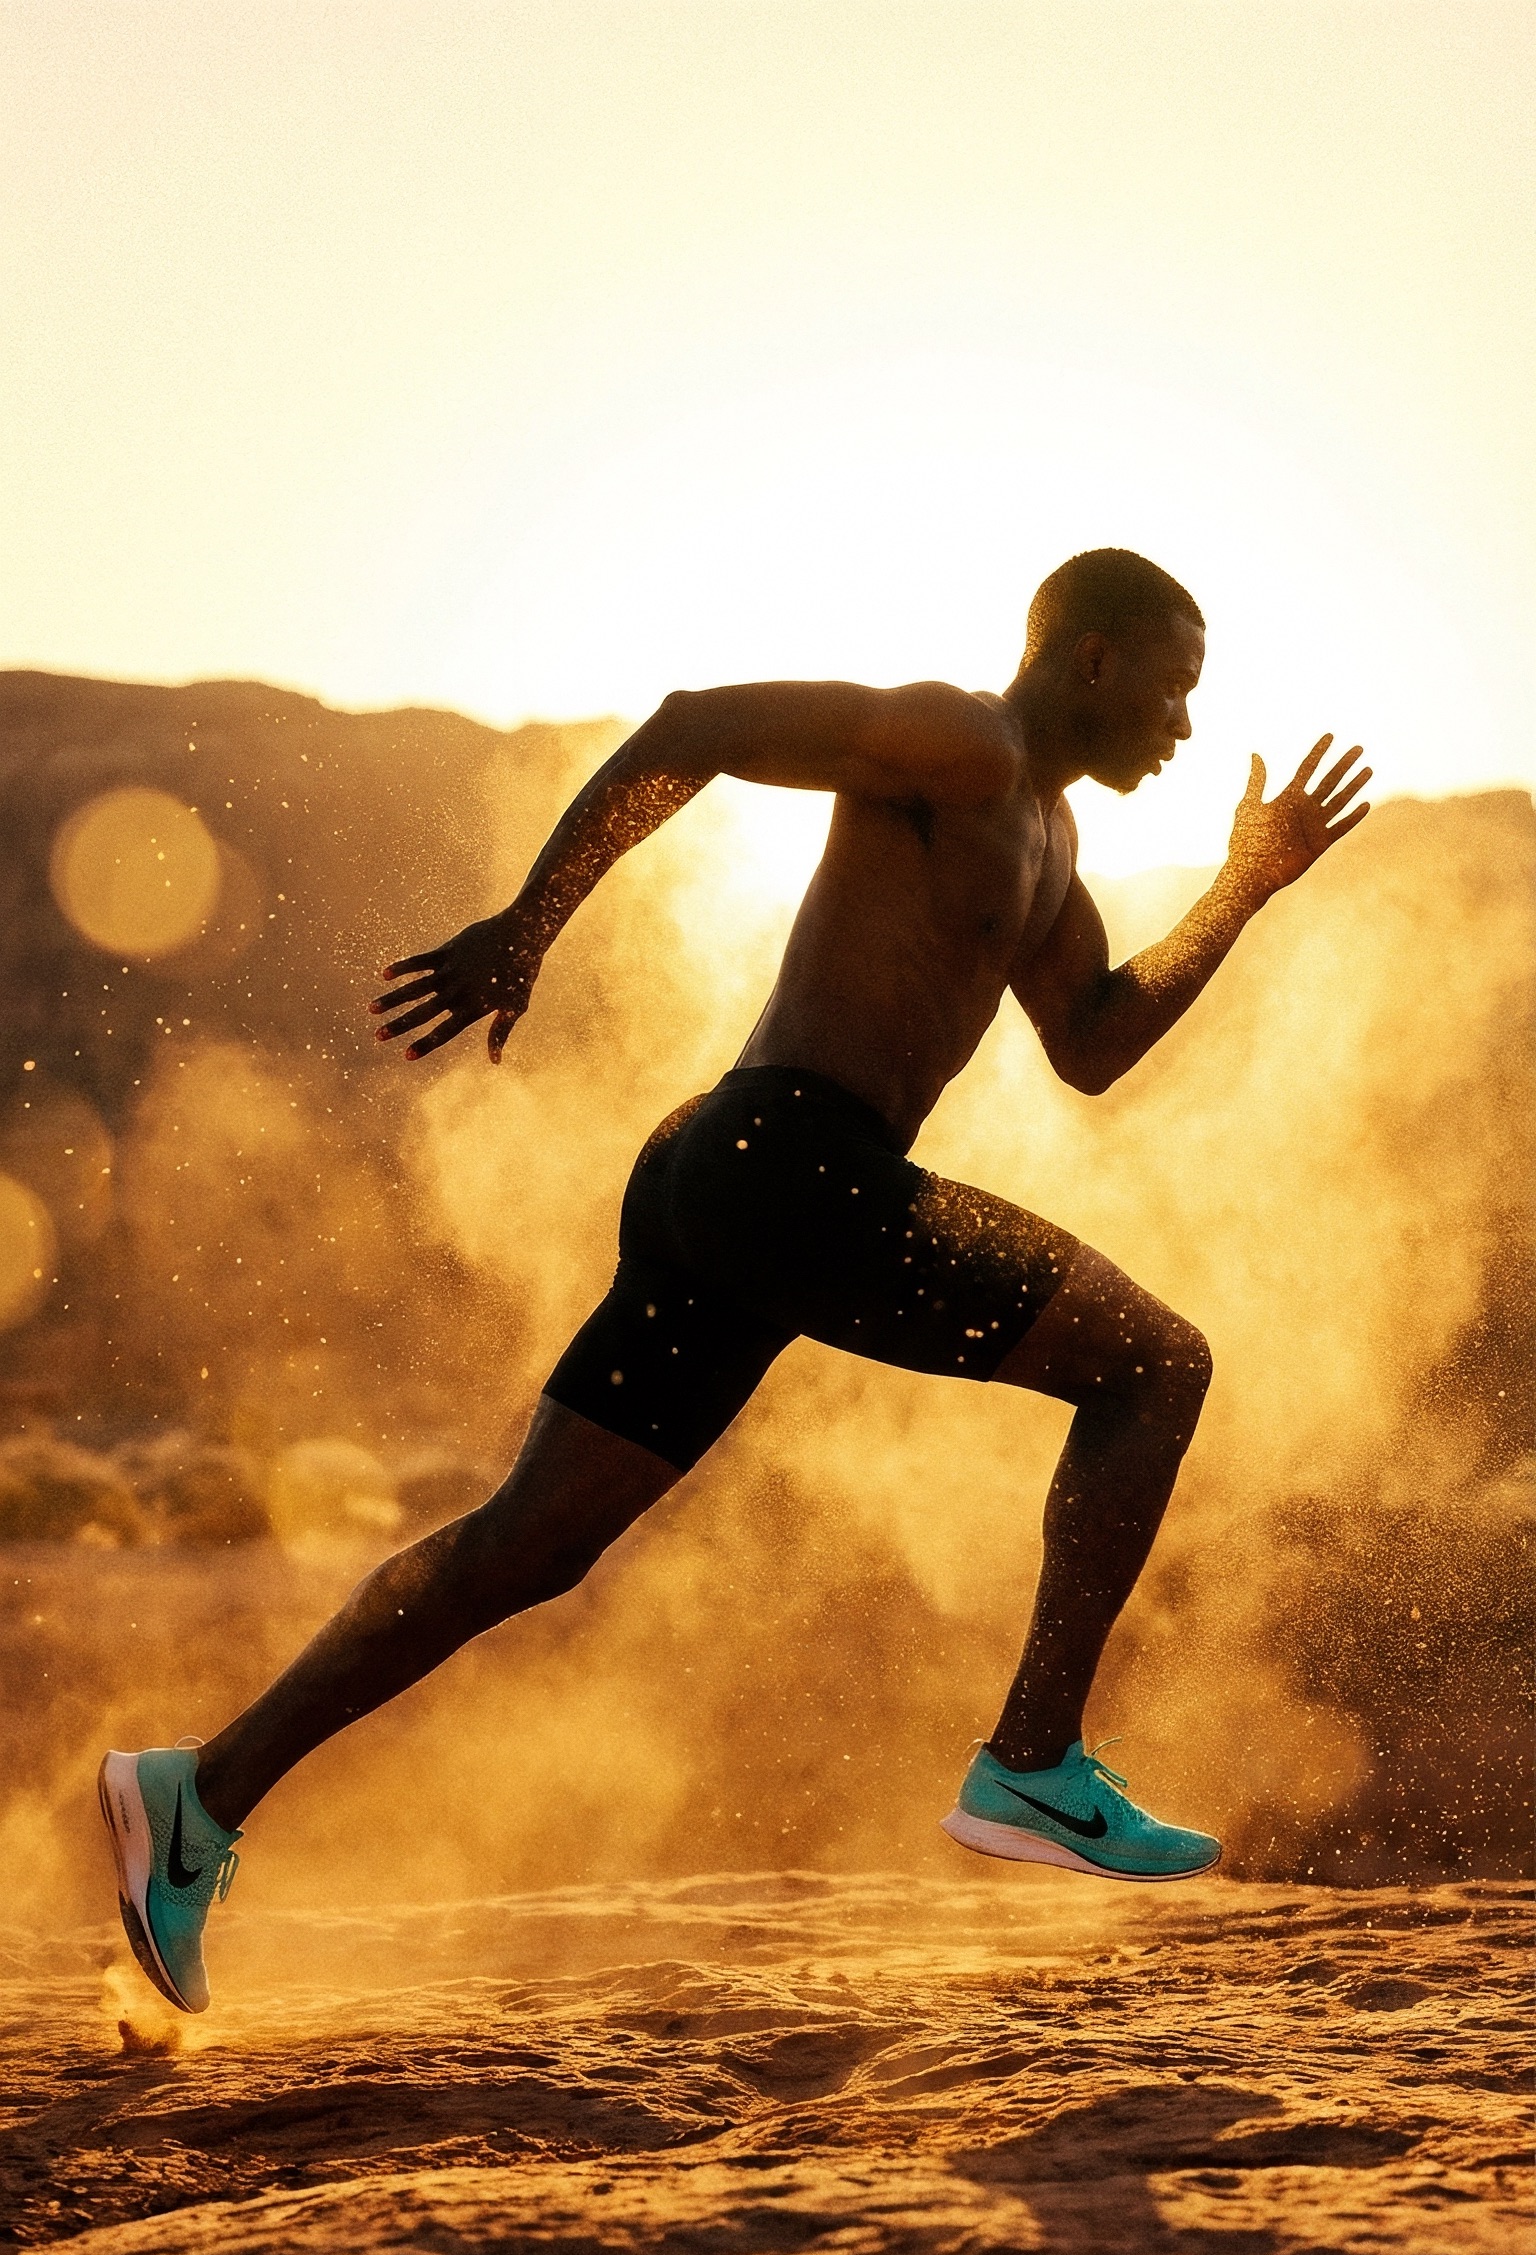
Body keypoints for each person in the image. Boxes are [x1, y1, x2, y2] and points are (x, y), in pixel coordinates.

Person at [99, 548, 1371, 2013]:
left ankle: (197, 1795)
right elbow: (696, 724)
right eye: (1175, 685)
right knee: (1156, 1366)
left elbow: (1089, 1041)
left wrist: (1241, 890)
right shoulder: (962, 741)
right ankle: (1032, 1763)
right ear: (1092, 658)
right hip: (788, 1161)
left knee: (529, 1545)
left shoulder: (1050, 845)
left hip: (745, 1181)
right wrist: (530, 928)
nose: (1188, 727)